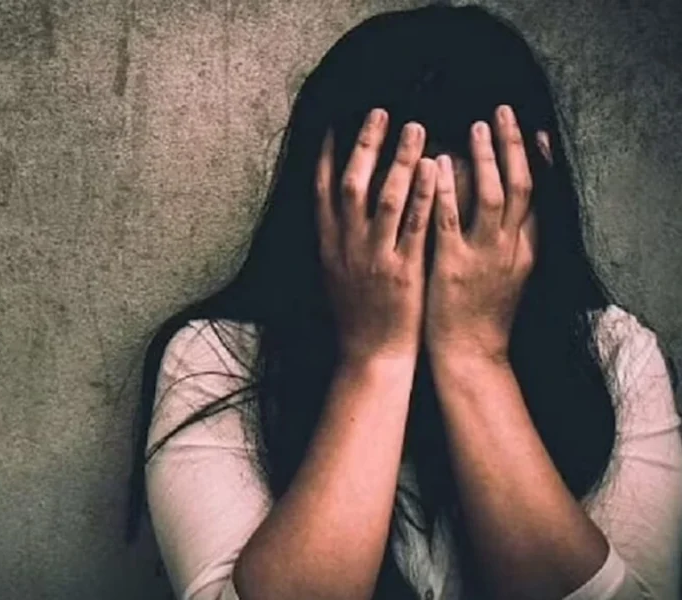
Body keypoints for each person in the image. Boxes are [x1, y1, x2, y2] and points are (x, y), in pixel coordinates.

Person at [124, 4, 682, 599]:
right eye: (391, 218)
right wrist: (375, 359)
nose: (432, 260)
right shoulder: (219, 359)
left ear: (532, 191)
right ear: (325, 199)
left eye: (471, 218)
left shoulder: (616, 355)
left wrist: (474, 358)